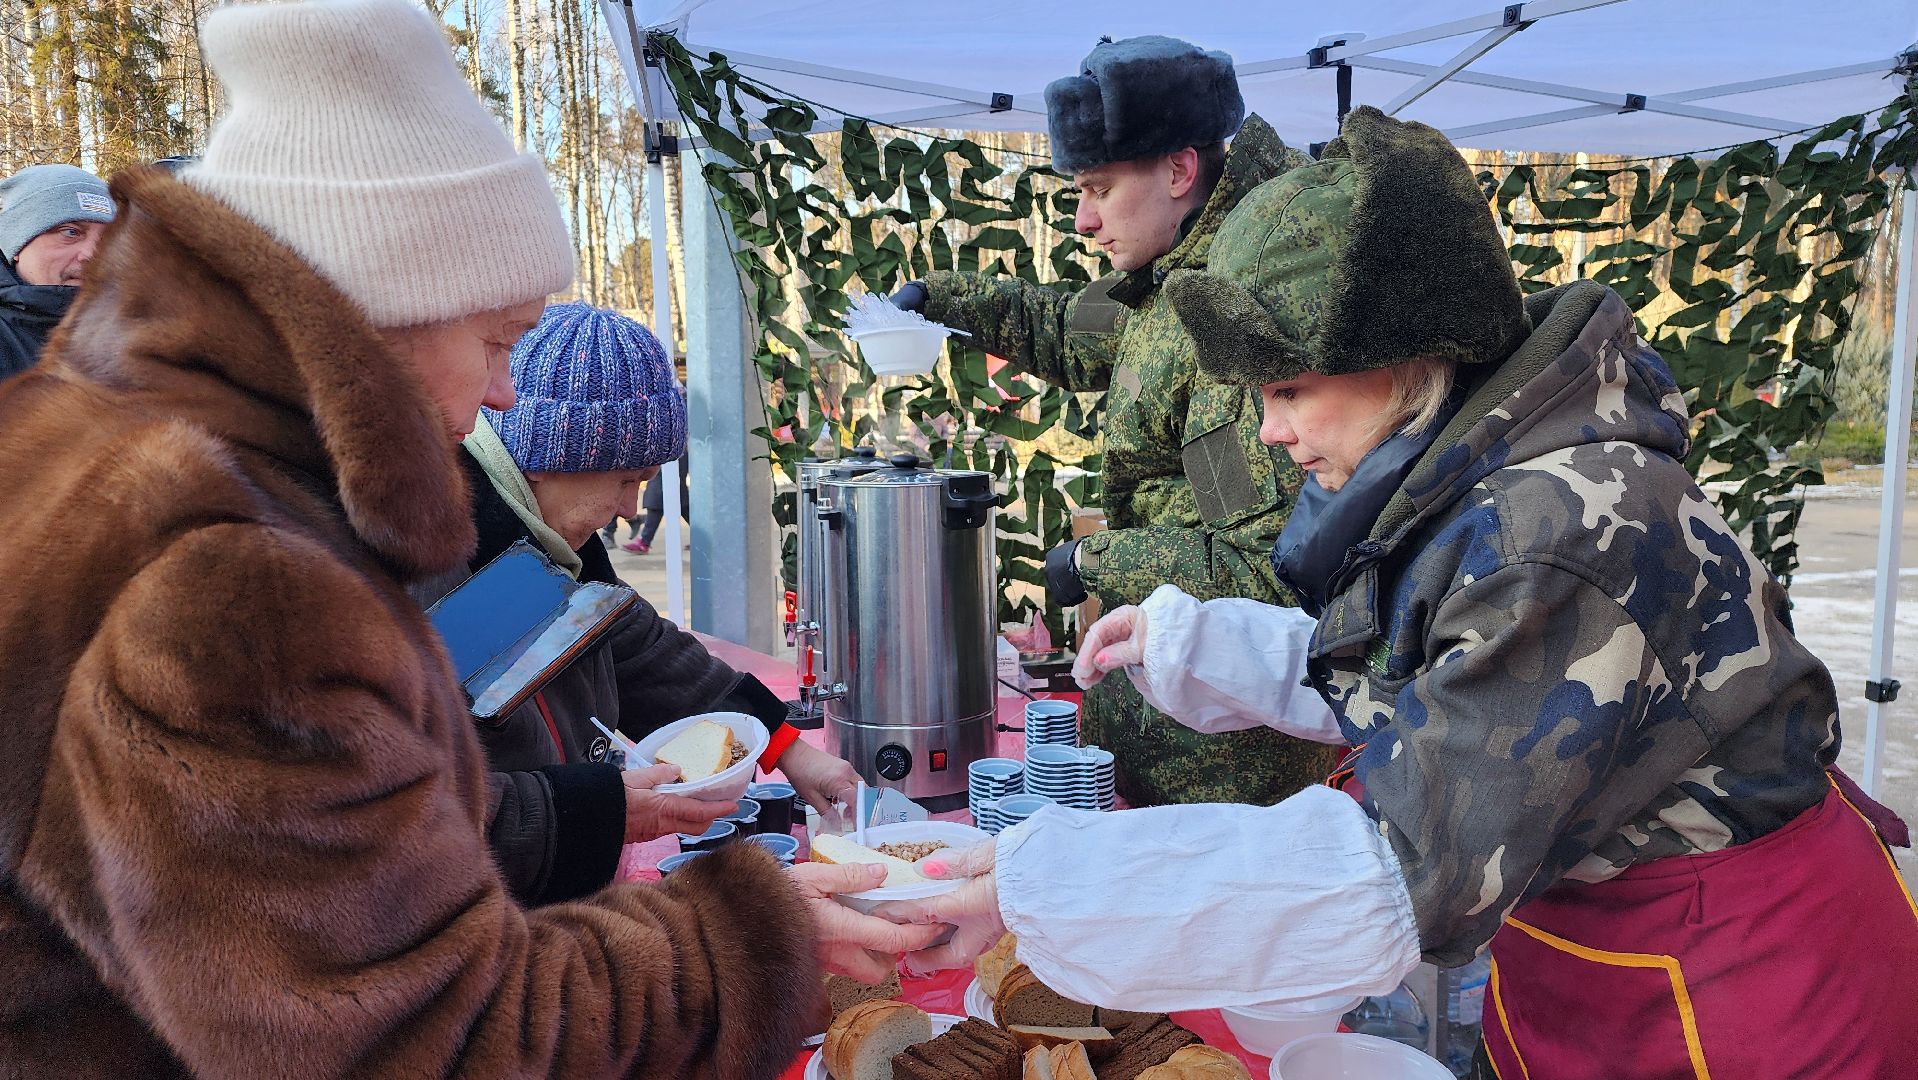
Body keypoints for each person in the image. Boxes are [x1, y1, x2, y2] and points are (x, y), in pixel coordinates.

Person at [879, 107, 1918, 1078]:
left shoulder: (1554, 531)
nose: (1272, 431)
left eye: (1288, 391)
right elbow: (1435, 679)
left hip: (1735, 990)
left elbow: (1400, 866)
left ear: (1409, 361)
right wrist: (1197, 645)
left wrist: (1050, 893)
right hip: (1608, 953)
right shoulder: (1487, 480)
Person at [0, 2, 933, 1077]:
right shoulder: (232, 578)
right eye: (498, 341)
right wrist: (752, 947)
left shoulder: (99, 439)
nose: (501, 394)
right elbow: (423, 1036)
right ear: (372, 316)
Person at [888, 35, 1334, 808]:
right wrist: (942, 301)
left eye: (1097, 188)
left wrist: (1095, 562)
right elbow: (1073, 329)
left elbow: (1262, 575)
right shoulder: (1169, 277)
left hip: (1219, 769)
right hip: (1155, 705)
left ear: (1178, 169)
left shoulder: (1231, 325)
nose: (1084, 221)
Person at [441, 301, 863, 905]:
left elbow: (643, 651)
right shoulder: (463, 574)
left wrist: (784, 747)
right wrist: (597, 810)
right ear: (542, 461)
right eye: (624, 478)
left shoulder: (544, 546)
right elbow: (418, 815)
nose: (632, 509)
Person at [0, 163, 113, 380]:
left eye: (107, 240)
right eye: (70, 232)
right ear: (16, 244)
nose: (92, 255)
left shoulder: (135, 339)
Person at [628, 449, 690, 553]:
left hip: (665, 487)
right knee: (684, 512)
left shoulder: (674, 450)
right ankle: (644, 541)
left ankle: (644, 541)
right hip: (666, 488)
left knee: (655, 509)